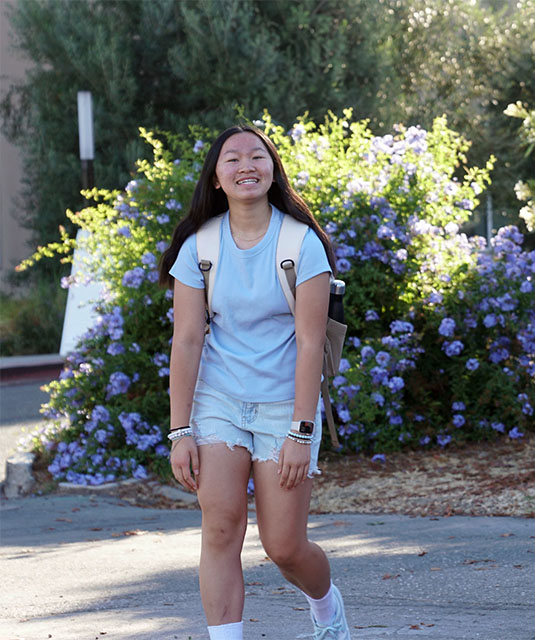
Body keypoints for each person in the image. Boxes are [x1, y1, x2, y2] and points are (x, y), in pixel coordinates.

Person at [158, 124, 350, 640]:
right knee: (220, 528)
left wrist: (301, 431)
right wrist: (180, 432)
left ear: (272, 169)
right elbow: (188, 342)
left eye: (257, 156)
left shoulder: (300, 243)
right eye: (232, 159)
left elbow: (311, 343)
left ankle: (327, 606)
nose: (246, 165)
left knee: (284, 546)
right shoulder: (199, 247)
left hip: (285, 407)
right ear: (216, 178)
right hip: (218, 403)